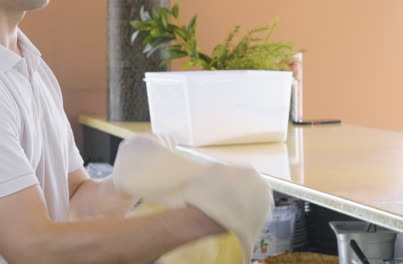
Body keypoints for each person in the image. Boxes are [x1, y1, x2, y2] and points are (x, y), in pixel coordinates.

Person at [0, 0, 233, 263]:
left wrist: (125, 183)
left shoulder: (31, 65)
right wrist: (203, 221)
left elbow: (74, 205)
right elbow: (32, 248)